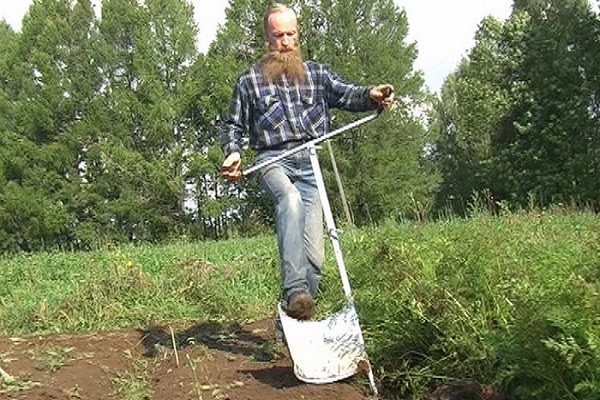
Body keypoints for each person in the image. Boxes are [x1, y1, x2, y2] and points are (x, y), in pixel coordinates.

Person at [219, 3, 395, 321]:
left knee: (315, 259)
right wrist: (232, 152)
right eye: (278, 35)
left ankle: (293, 318)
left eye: (291, 34)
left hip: (310, 161)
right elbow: (232, 125)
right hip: (273, 160)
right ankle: (295, 290)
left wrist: (373, 94)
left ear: (298, 34)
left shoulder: (317, 73)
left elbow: (347, 94)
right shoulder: (249, 81)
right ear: (266, 38)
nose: (285, 41)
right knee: (290, 199)